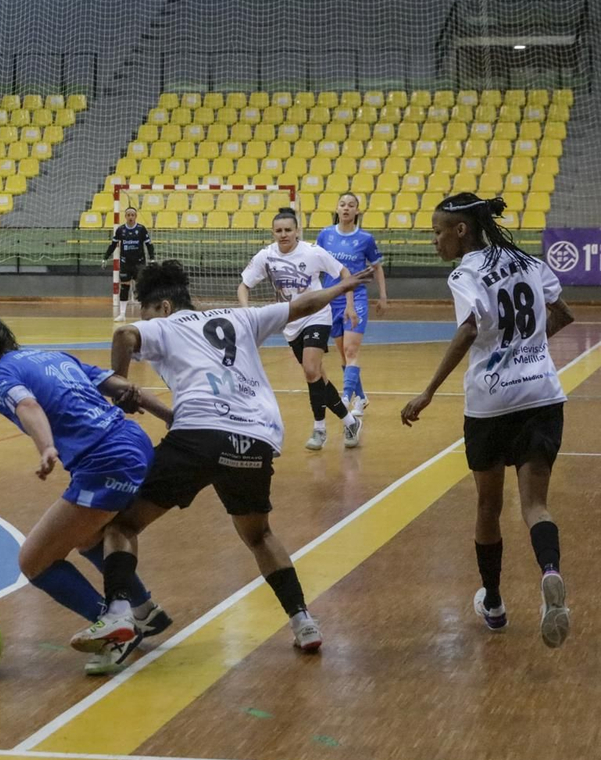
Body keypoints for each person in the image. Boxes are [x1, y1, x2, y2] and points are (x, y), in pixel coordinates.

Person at [92, 258, 375, 655]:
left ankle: (120, 614)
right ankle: (303, 622)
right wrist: (341, 288)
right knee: (259, 535)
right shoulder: (243, 317)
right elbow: (305, 305)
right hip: (254, 437)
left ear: (164, 307)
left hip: (198, 434)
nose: (148, 318)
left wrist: (120, 389)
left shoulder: (164, 324)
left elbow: (124, 335)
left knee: (121, 527)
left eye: (149, 311)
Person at [0, 315, 175, 675]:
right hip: (133, 442)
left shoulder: (0, 377)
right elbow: (120, 387)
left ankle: (116, 626)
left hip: (105, 460)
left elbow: (28, 406)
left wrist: (47, 447)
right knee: (90, 536)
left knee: (34, 561)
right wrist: (169, 415)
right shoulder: (53, 357)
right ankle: (143, 610)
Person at [401, 194, 575, 647]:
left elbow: (471, 328)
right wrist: (529, 348)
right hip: (542, 396)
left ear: (461, 230)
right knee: (535, 505)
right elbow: (563, 313)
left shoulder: (465, 273)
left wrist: (428, 391)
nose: (434, 240)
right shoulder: (528, 260)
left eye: (438, 231)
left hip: (491, 404)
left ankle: (494, 603)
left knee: (487, 508)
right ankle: (551, 573)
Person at [239, 208, 362, 451]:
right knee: (317, 376)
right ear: (273, 233)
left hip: (317, 315)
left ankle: (319, 429)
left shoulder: (312, 252)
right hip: (290, 321)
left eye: (288, 230)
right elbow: (243, 285)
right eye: (279, 231)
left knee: (309, 370)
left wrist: (349, 304)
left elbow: (345, 273)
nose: (283, 234)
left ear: (297, 232)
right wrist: (247, 313)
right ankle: (350, 421)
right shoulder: (266, 256)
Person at [316, 192, 388, 417]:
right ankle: (362, 397)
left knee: (351, 349)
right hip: (331, 299)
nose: (346, 208)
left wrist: (383, 296)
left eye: (351, 205)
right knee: (343, 354)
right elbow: (315, 264)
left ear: (357, 211)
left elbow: (377, 267)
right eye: (342, 204)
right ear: (337, 209)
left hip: (355, 298)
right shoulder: (325, 235)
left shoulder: (365, 239)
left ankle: (346, 396)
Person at [105, 206, 154, 323]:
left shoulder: (141, 229)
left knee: (142, 288)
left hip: (139, 263)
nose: (130, 217)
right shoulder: (120, 230)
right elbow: (113, 245)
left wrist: (152, 259)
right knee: (124, 287)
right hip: (126, 263)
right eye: (128, 215)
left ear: (135, 216)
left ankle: (145, 313)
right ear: (125, 216)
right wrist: (105, 257)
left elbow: (149, 245)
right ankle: (122, 314)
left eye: (133, 215)